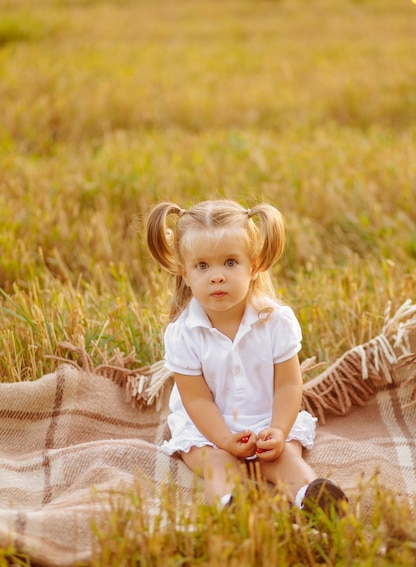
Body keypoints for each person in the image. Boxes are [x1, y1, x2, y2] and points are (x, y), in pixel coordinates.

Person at [146, 199, 347, 514]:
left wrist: (279, 431)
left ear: (253, 266)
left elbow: (288, 387)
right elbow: (196, 401)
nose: (217, 276)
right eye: (202, 266)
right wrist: (225, 440)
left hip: (267, 420)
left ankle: (313, 497)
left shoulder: (275, 321)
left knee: (285, 459)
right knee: (218, 464)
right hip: (207, 430)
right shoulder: (183, 333)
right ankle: (234, 507)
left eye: (229, 262)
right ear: (184, 273)